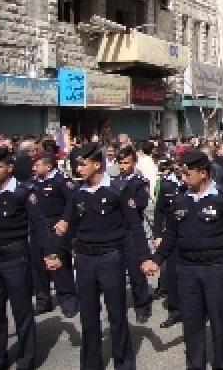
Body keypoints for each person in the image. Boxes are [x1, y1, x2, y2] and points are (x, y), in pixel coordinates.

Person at [142, 150, 223, 370]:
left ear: (202, 173)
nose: (183, 178)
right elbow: (171, 234)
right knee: (192, 325)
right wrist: (157, 258)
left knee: (221, 325)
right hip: (187, 270)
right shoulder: (180, 198)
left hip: (216, 268)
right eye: (181, 173)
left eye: (187, 173)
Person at [69, 142, 152, 370]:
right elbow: (68, 225)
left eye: (82, 165)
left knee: (116, 314)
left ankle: (123, 363)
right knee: (88, 318)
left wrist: (145, 257)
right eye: (77, 165)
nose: (78, 169)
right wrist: (55, 252)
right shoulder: (78, 194)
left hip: (110, 259)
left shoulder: (118, 190)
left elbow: (134, 225)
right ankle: (90, 364)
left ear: (97, 165)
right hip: (85, 260)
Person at [0, 147, 60, 370]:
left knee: (21, 312)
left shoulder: (22, 192)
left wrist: (50, 252)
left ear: (10, 168)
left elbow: (40, 224)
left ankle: (26, 359)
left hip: (16, 259)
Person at [29, 151, 78, 318]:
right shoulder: (32, 183)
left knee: (60, 263)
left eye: (37, 165)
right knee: (38, 263)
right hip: (37, 227)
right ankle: (43, 300)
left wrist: (65, 220)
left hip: (55, 226)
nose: (34, 168)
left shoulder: (61, 181)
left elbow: (72, 202)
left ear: (48, 166)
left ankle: (68, 298)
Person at [113, 146, 153, 323]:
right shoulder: (113, 182)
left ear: (134, 163)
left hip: (133, 230)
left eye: (126, 163)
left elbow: (140, 203)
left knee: (137, 271)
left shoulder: (139, 182)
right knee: (116, 272)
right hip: (116, 230)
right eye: (120, 163)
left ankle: (142, 306)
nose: (122, 166)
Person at [152, 157, 184, 328]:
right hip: (171, 236)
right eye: (178, 165)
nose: (180, 169)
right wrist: (157, 234)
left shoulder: (191, 186)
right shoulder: (167, 186)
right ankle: (175, 310)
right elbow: (159, 212)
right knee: (171, 274)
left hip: (188, 237)